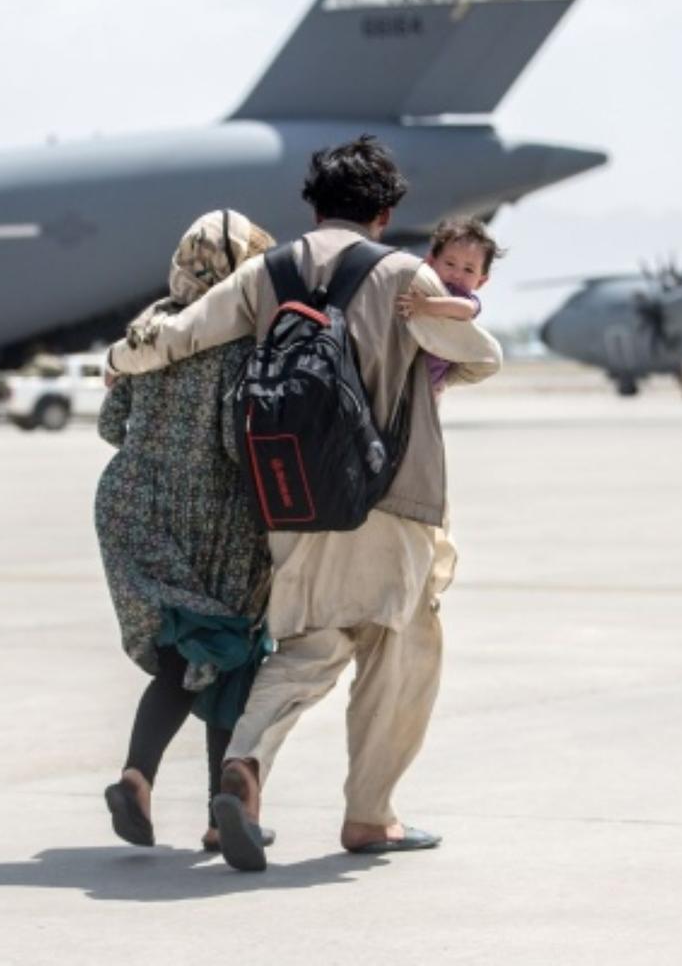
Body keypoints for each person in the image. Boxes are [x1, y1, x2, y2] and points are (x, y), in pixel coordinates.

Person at [104, 135, 502, 871]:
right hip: (391, 497)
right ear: (384, 213)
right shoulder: (405, 274)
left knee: (308, 645)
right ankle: (370, 817)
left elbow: (182, 335)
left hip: (291, 499)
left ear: (312, 203)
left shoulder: (269, 270)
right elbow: (482, 354)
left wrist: (119, 360)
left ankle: (245, 764)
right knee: (402, 644)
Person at [96, 209, 276, 853]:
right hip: (213, 515)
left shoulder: (150, 326)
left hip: (133, 504)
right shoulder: (238, 338)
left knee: (183, 653)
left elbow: (112, 426)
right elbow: (236, 441)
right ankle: (222, 809)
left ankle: (138, 778)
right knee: (227, 654)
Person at [395, 217, 504, 394]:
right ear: (430, 262)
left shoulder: (464, 298)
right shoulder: (425, 284)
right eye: (450, 264)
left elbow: (465, 310)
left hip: (432, 378)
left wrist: (425, 305)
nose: (457, 274)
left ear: (481, 281)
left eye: (468, 270)